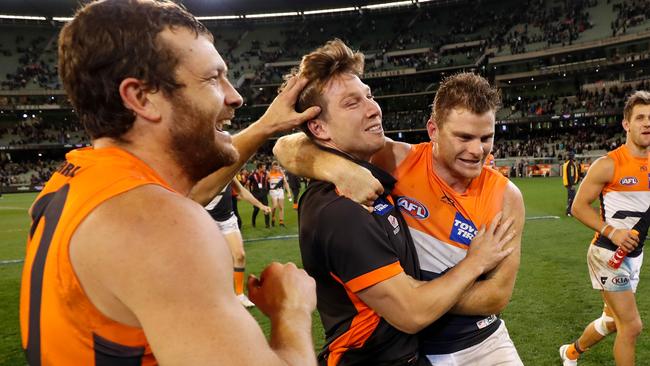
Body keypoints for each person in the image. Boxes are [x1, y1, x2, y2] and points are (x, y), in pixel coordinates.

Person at [19, 1, 321, 364]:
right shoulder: (159, 225)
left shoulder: (81, 185)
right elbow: (172, 216)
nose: (234, 95)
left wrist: (266, 126)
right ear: (142, 98)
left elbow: (193, 193)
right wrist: (292, 310)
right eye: (212, 78)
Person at [278, 40, 517, 365]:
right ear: (433, 130)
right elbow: (287, 145)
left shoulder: (505, 194)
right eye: (463, 137)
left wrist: (416, 289)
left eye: (486, 138)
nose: (477, 150)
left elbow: (497, 296)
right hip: (404, 348)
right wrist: (335, 166)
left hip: (477, 342)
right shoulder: (393, 161)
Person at [559, 91, 650, 366]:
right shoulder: (608, 164)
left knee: (612, 321)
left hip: (635, 256)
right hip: (607, 255)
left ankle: (571, 352)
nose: (647, 123)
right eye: (641, 118)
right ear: (626, 124)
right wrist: (613, 232)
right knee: (631, 326)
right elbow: (578, 207)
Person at [192, 178, 271, 308]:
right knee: (208, 261)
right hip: (204, 219)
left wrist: (260, 205)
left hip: (227, 220)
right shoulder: (201, 171)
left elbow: (242, 191)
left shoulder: (228, 171)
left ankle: (239, 294)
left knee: (239, 255)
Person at [268, 161, 292, 227]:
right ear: (272, 167)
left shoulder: (281, 174)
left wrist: (289, 193)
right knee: (275, 206)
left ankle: (281, 222)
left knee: (281, 207)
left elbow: (286, 183)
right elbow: (266, 182)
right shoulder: (269, 174)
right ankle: (273, 217)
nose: (276, 167)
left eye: (277, 165)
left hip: (280, 190)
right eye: (274, 166)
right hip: (273, 191)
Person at [247, 162, 271, 228]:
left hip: (263, 194)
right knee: (256, 209)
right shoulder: (253, 175)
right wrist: (250, 192)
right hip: (256, 194)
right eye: (264, 167)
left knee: (266, 208)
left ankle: (267, 225)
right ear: (260, 167)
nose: (265, 168)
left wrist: (267, 190)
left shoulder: (266, 174)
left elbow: (269, 182)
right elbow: (248, 183)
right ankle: (253, 222)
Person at [562, 150, 580, 217]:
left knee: (571, 197)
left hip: (568, 183)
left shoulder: (567, 163)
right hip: (570, 184)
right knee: (571, 198)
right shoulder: (571, 164)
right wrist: (572, 184)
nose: (575, 157)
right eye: (574, 156)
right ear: (572, 157)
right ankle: (569, 212)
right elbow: (571, 174)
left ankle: (570, 210)